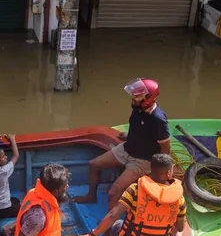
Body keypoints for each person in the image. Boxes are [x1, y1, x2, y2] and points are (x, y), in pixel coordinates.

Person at [73, 78, 170, 210]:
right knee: (94, 165)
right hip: (127, 148)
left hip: (142, 160)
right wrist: (128, 136)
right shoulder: (137, 107)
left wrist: (160, 170)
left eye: (138, 96)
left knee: (114, 192)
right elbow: (138, 126)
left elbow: (165, 148)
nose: (133, 97)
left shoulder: (158, 119)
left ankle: (109, 225)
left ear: (148, 98)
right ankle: (91, 196)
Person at [73, 154, 186, 236]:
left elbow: (113, 215)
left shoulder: (135, 189)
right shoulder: (179, 198)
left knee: (116, 224)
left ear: (151, 168)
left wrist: (93, 234)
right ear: (169, 173)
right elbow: (180, 228)